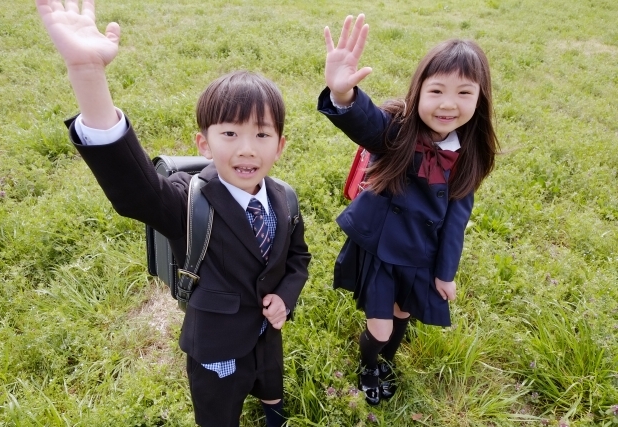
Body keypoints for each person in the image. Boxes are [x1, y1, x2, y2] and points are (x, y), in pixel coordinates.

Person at [35, 1, 311, 426]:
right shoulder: (189, 200)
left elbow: (297, 257)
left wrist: (286, 297)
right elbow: (137, 192)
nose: (246, 149)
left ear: (280, 145)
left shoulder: (284, 198)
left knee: (270, 382)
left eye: (262, 134)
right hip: (216, 348)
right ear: (203, 144)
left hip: (267, 334)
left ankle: (273, 409)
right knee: (219, 412)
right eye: (230, 133)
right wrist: (88, 74)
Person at [318, 14, 498, 405]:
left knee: (403, 315)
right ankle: (368, 365)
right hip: (382, 251)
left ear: (480, 99)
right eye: (437, 91)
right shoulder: (397, 131)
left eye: (464, 93)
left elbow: (456, 221)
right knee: (381, 327)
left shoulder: (469, 156)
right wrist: (343, 95)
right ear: (418, 91)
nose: (448, 104)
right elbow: (367, 123)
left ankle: (387, 362)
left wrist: (445, 273)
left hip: (420, 256)